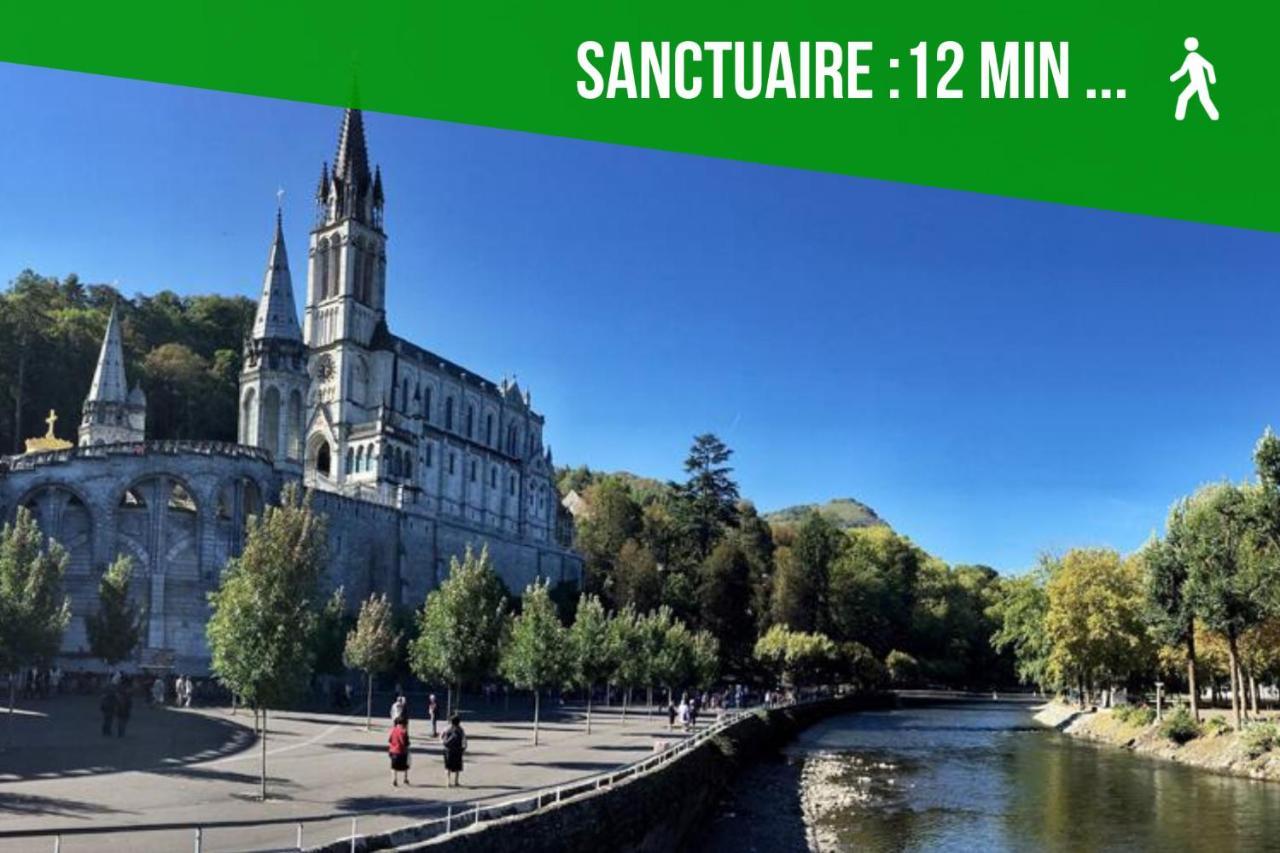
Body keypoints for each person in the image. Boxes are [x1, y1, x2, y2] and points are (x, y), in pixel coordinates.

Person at [441, 713, 467, 787]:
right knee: (457, 766)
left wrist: (443, 742)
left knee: (447, 766)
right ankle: (456, 781)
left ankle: (448, 782)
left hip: (447, 750)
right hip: (458, 749)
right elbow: (464, 740)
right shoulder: (461, 729)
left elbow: (441, 736)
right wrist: (464, 748)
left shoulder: (447, 728)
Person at [388, 716, 411, 787]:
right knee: (406, 765)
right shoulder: (404, 731)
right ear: (404, 723)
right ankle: (405, 778)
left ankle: (394, 779)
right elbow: (406, 743)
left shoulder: (392, 730)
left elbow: (389, 740)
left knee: (393, 767)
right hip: (402, 751)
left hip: (393, 751)